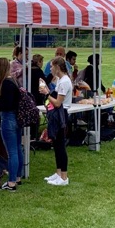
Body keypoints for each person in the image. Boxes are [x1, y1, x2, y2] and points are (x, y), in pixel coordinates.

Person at [0, 58, 23, 191]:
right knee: (17, 149)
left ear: (1, 67)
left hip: (8, 119)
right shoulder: (13, 81)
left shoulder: (6, 83)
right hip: (16, 118)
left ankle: (11, 182)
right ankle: (17, 177)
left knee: (12, 152)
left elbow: (7, 104)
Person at [41, 57, 72, 186]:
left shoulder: (64, 81)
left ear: (58, 67)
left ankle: (64, 177)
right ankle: (58, 173)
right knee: (56, 144)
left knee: (60, 145)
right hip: (57, 114)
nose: (50, 69)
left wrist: (47, 94)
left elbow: (58, 103)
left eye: (52, 67)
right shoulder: (60, 80)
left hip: (61, 114)